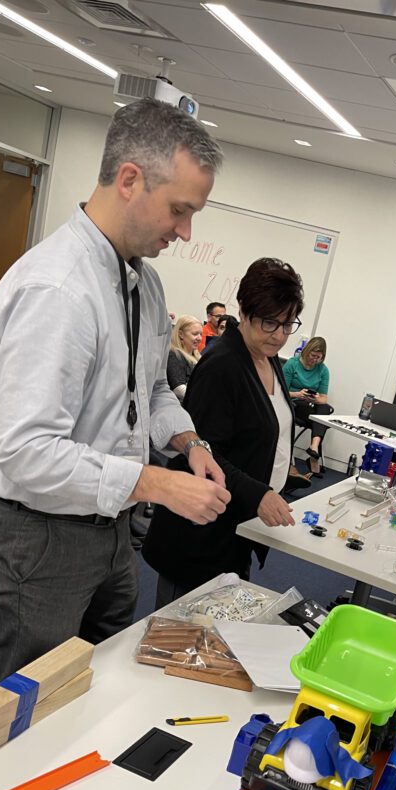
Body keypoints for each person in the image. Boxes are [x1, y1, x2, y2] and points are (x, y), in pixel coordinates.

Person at [0, 97, 231, 683]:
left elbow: (151, 392)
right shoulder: (58, 290)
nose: (186, 231)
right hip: (42, 536)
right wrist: (156, 483)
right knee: (31, 705)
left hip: (110, 528)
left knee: (96, 688)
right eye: (179, 209)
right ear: (129, 180)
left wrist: (190, 444)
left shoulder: (142, 280)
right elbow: (25, 451)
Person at [143, 257, 301, 605]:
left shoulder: (267, 356)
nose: (279, 335)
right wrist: (257, 493)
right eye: (270, 322)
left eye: (288, 324)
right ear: (243, 312)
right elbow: (203, 455)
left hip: (234, 527)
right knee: (178, 639)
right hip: (198, 536)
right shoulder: (222, 365)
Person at [283, 336, 332, 476]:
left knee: (325, 408)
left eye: (319, 357)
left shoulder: (323, 370)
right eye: (313, 355)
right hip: (295, 402)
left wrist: (316, 398)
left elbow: (324, 398)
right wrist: (298, 394)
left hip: (311, 404)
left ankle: (314, 447)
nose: (315, 360)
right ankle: (313, 458)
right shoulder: (292, 364)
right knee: (320, 419)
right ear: (307, 351)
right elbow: (282, 391)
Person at [166, 314, 201, 400]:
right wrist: (202, 399)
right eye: (195, 334)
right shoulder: (174, 355)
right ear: (181, 334)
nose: (199, 338)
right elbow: (179, 389)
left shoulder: (197, 356)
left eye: (201, 334)